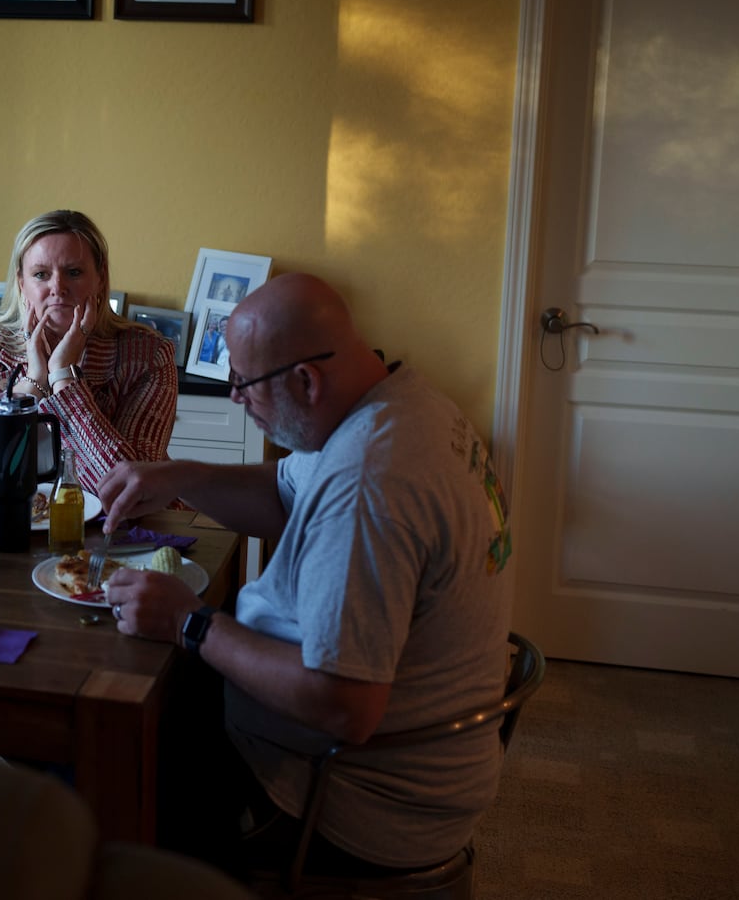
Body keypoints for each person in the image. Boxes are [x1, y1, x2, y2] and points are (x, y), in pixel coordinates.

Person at [97, 273, 513, 874]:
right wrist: (175, 475)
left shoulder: (369, 481)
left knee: (118, 749)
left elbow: (346, 706)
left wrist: (190, 623)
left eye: (242, 384)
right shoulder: (391, 403)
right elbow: (284, 492)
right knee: (156, 696)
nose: (236, 398)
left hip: (348, 801)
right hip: (403, 758)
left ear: (305, 380)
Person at [0, 210, 178, 494]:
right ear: (22, 282)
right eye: (41, 274)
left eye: (74, 272)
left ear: (100, 278)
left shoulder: (147, 355)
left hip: (116, 534)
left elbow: (133, 491)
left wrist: (63, 377)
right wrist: (30, 387)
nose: (58, 288)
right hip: (4, 526)